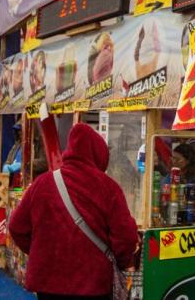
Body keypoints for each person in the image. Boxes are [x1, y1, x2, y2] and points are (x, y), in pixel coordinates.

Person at [9, 123, 138, 299]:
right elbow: (125, 237)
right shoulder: (108, 188)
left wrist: (42, 253)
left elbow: (17, 227)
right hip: (94, 284)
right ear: (99, 154)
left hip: (48, 283)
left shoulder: (41, 183)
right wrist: (124, 263)